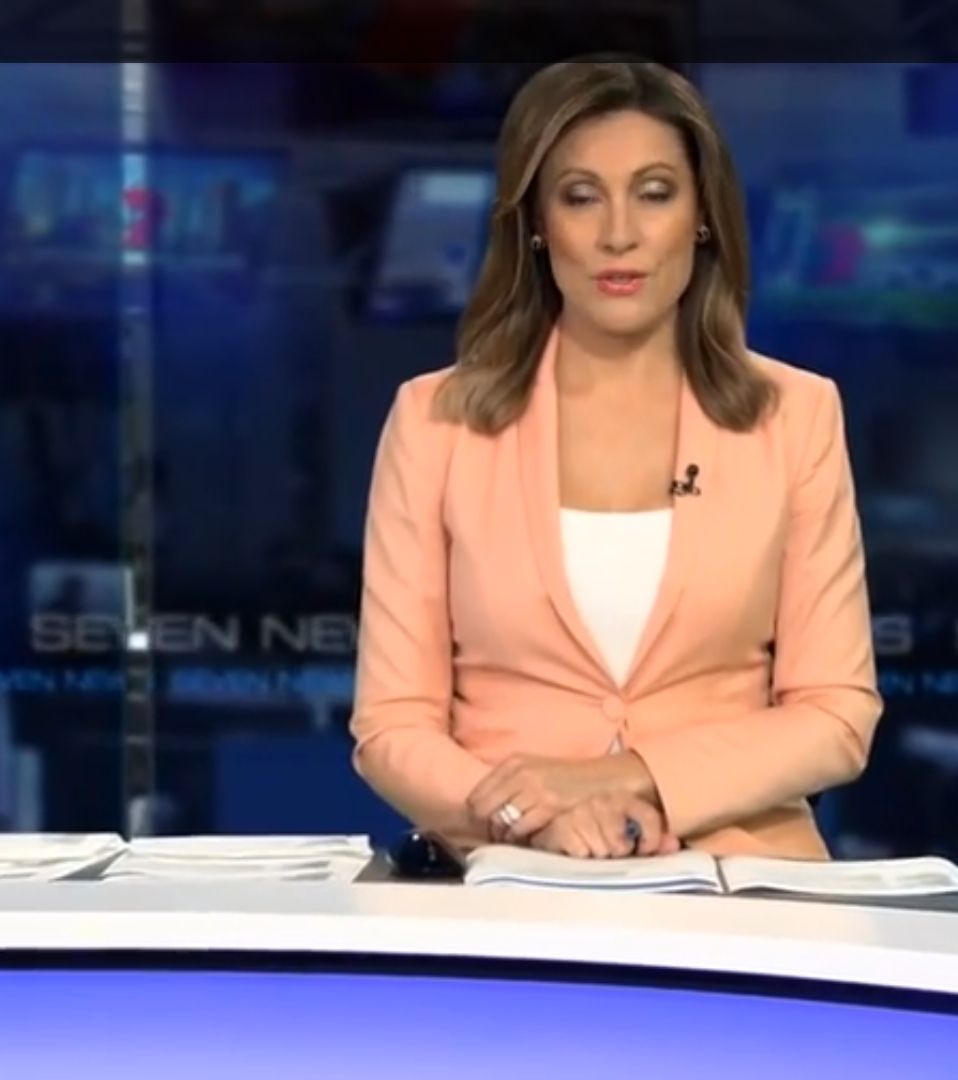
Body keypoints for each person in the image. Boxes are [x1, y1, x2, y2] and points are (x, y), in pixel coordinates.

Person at [348, 58, 881, 861]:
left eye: (655, 193)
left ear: (702, 216)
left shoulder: (794, 414)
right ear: (536, 222)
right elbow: (392, 726)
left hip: (742, 878)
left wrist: (622, 779)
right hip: (512, 876)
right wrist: (533, 819)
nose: (618, 234)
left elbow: (836, 715)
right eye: (581, 196)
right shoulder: (435, 422)